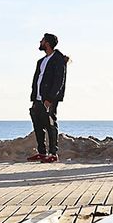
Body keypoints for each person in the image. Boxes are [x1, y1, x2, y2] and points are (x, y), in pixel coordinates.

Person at [28, 32, 69, 162]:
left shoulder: (58, 59)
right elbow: (37, 80)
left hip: (50, 99)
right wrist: (34, 98)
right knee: (37, 123)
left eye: (42, 40)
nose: (40, 42)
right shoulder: (41, 61)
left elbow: (59, 81)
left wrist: (50, 99)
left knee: (51, 124)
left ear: (47, 43)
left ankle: (53, 154)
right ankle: (42, 152)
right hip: (38, 99)